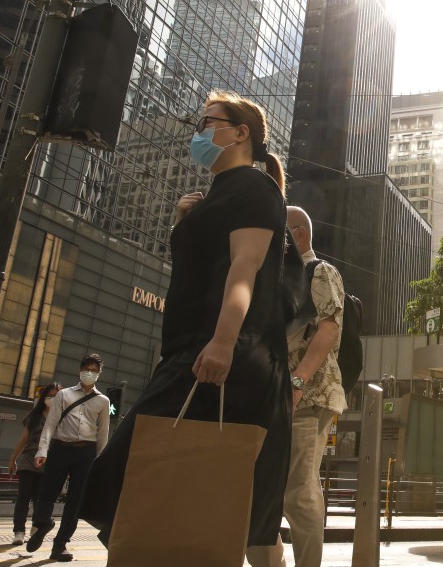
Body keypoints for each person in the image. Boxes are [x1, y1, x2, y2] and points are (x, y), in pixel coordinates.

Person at [78, 90, 293, 558]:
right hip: (193, 348)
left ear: (240, 133)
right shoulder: (216, 196)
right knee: (189, 485)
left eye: (206, 124)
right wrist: (183, 223)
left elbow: (245, 268)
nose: (197, 135)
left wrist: (222, 342)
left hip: (225, 350)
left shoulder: (254, 189)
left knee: (128, 471)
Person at [247, 206, 347, 567]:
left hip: (306, 397)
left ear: (298, 235)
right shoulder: (273, 281)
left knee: (297, 491)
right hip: (269, 398)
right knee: (254, 492)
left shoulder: (318, 271)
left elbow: (329, 329)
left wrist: (297, 383)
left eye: (279, 233)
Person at [27, 356, 110, 561]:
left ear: (99, 373)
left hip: (86, 454)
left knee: (75, 503)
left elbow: (102, 434)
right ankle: (44, 523)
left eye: (94, 370)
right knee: (45, 496)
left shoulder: (103, 401)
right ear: (80, 370)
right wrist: (42, 451)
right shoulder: (63, 395)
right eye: (86, 368)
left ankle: (60, 545)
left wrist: (100, 463)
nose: (89, 372)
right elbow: (50, 425)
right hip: (60, 450)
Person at [7, 382, 61, 545]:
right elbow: (24, 439)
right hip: (29, 460)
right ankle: (19, 531)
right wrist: (13, 458)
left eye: (56, 396)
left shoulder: (62, 418)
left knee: (40, 499)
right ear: (44, 397)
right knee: (23, 497)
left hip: (49, 463)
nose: (52, 399)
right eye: (49, 396)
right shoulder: (35, 416)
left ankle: (37, 527)